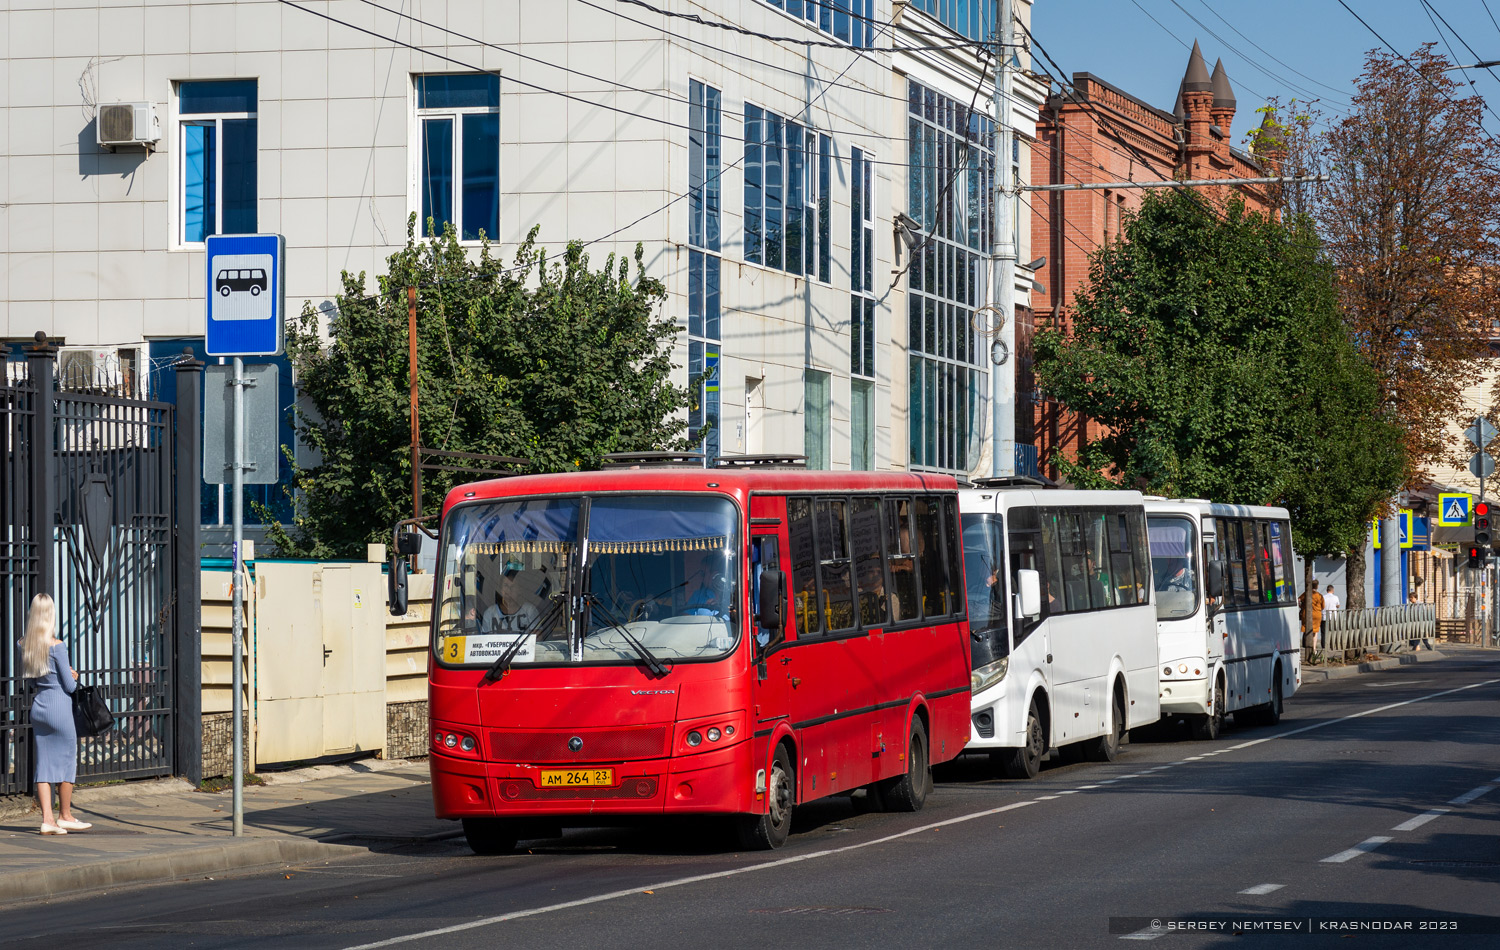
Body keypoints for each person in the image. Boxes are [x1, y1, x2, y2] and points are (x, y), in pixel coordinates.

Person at [21, 594, 91, 835]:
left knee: (44, 765)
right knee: (67, 761)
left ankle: (47, 820)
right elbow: (70, 688)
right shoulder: (57, 645)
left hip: (40, 707)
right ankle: (66, 815)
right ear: (50, 614)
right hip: (60, 708)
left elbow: (31, 682)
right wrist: (75, 675)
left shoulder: (24, 644)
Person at [481, 563, 540, 633]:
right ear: (500, 589)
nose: (509, 590)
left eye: (513, 586)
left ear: (519, 590)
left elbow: (538, 637)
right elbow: (484, 640)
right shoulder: (490, 613)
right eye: (505, 585)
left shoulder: (530, 611)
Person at [1298, 585, 1325, 650]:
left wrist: (1301, 606)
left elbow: (1298, 599)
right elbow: (1323, 606)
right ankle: (1314, 648)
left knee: (1306, 629)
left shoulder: (1306, 594)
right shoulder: (1319, 595)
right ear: (1317, 586)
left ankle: (1307, 646)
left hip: (1306, 614)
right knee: (1315, 632)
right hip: (1317, 614)